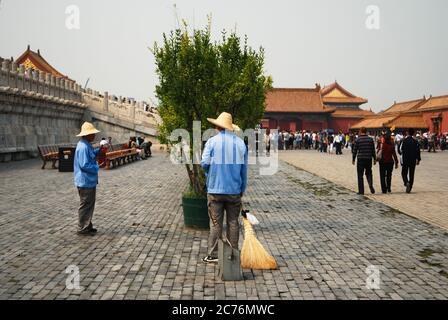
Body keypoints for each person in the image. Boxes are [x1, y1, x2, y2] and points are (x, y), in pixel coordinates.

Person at [201, 112, 248, 264]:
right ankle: (232, 253)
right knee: (233, 222)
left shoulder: (212, 142)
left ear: (217, 126)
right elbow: (244, 170)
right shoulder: (241, 144)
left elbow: (204, 163)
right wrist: (242, 187)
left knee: (216, 223)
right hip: (234, 189)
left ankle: (213, 254)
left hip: (215, 189)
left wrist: (211, 173)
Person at [74, 122, 101, 235]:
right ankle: (82, 228)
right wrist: (97, 167)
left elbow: (91, 155)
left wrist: (99, 150)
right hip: (85, 181)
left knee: (89, 204)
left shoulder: (86, 144)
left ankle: (87, 225)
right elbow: (84, 165)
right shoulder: (83, 147)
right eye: (92, 134)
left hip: (88, 181)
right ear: (87, 135)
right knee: (85, 204)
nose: (94, 136)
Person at [352, 127, 376, 195]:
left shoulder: (358, 140)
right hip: (368, 158)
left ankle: (361, 191)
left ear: (360, 131)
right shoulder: (370, 139)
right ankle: (370, 185)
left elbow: (355, 150)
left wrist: (353, 159)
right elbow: (373, 150)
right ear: (366, 132)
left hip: (361, 159)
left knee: (360, 175)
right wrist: (374, 158)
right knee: (369, 173)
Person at [398, 128, 421, 193]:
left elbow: (400, 150)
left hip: (405, 159)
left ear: (407, 133)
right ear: (413, 133)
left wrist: (401, 155)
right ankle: (410, 187)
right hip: (413, 160)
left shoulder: (404, 140)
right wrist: (418, 159)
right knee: (411, 174)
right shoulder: (416, 141)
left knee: (404, 173)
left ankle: (406, 182)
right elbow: (418, 151)